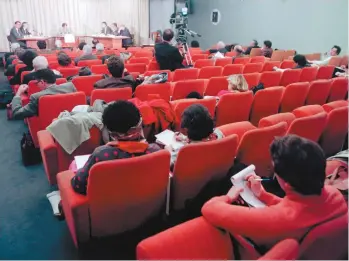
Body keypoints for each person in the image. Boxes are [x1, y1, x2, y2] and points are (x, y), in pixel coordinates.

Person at [201, 135, 347, 252]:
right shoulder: (335, 195)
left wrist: (228, 196)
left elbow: (209, 207)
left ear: (286, 183)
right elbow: (299, 209)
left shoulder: (277, 219)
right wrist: (263, 195)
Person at [70, 100, 161, 195]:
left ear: (112, 134)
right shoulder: (155, 151)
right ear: (139, 125)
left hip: (109, 206)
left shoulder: (101, 155)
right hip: (147, 203)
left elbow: (78, 185)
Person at [11, 69, 77, 120]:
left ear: (42, 82)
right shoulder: (70, 86)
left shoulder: (37, 97)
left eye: (36, 83)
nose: (37, 85)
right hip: (71, 122)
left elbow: (17, 114)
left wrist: (18, 93)